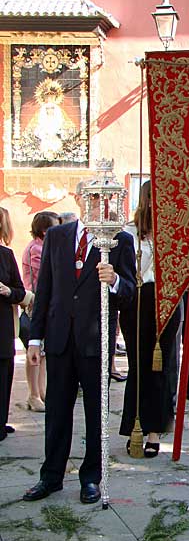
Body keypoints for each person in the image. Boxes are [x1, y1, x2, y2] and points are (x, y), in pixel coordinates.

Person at [23, 181, 136, 504]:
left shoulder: (119, 240)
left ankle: (91, 478)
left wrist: (114, 280)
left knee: (96, 412)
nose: (98, 203)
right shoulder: (57, 236)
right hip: (60, 339)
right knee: (57, 411)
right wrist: (35, 338)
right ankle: (51, 476)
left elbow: (129, 292)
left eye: (103, 198)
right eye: (92, 197)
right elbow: (45, 289)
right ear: (79, 199)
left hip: (94, 340)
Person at [119, 180, 180, 457]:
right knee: (138, 366)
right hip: (138, 301)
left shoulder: (174, 231)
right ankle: (136, 426)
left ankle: (155, 430)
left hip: (166, 301)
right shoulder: (129, 234)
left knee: (161, 367)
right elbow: (131, 271)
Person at [21, 211, 59, 412]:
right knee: (35, 350)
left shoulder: (44, 246)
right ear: (45, 230)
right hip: (36, 304)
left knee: (43, 352)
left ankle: (42, 391)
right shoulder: (36, 249)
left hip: (46, 304)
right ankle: (33, 394)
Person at [0, 207, 26, 441]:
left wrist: (8, 291)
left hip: (2, 327)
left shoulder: (6, 255)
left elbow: (19, 291)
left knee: (3, 373)